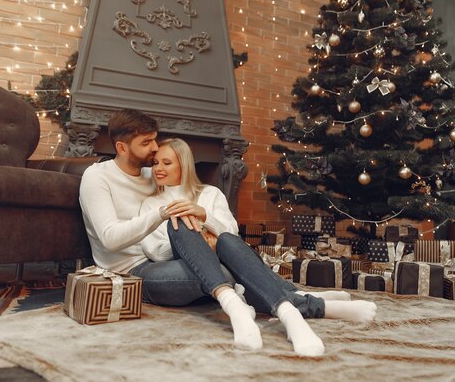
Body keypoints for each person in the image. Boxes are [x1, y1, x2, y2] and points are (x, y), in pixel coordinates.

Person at [136, 137, 377, 356]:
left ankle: (290, 315)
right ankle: (302, 303)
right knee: (181, 223)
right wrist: (197, 240)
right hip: (187, 263)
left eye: (166, 163)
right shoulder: (151, 204)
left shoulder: (210, 194)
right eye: (155, 163)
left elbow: (230, 235)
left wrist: (205, 217)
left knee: (226, 239)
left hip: (224, 258)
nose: (158, 168)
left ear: (184, 164)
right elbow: (155, 252)